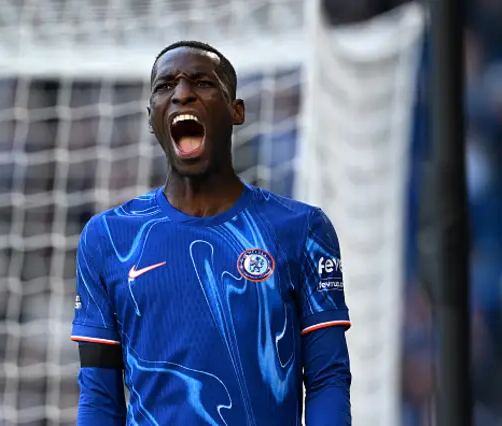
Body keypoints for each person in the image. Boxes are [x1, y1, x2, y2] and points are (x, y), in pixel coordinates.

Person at [71, 40, 352, 425]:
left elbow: (327, 379)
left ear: (237, 110)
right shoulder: (107, 239)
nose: (182, 94)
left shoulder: (301, 229)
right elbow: (99, 396)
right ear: (150, 116)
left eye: (202, 83)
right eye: (165, 86)